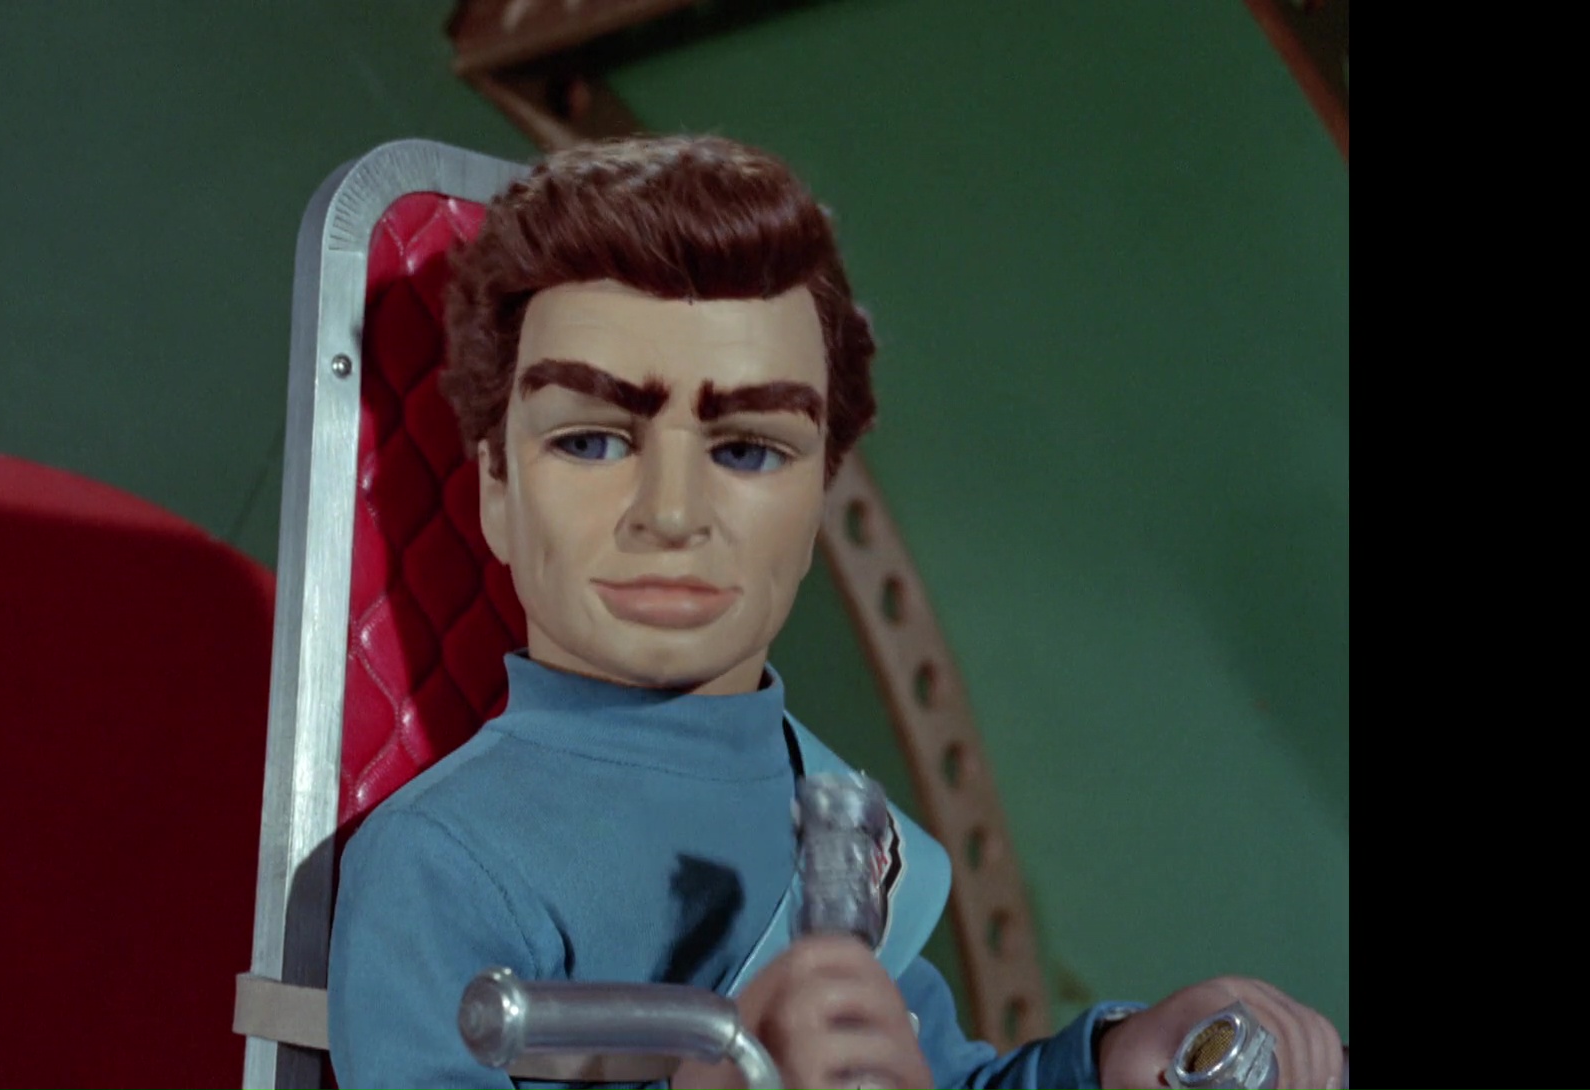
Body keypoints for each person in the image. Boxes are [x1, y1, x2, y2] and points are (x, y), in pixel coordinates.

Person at [326, 134, 1344, 1090]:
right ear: (496, 488)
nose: (672, 514)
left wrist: (1112, 1062)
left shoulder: (844, 823)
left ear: (819, 497)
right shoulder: (443, 866)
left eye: (747, 449)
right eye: (592, 440)